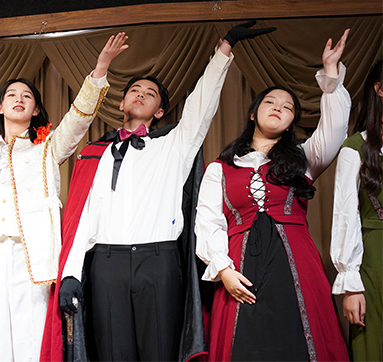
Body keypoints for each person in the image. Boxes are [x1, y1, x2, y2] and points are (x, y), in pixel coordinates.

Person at [43, 22, 276, 362]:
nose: (140, 94)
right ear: (121, 103)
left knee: (161, 355)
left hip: (159, 263)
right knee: (111, 355)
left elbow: (201, 103)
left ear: (160, 111)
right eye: (135, 90)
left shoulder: (175, 145)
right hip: (106, 266)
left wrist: (226, 46)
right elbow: (81, 219)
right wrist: (71, 274)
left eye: (150, 94)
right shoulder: (95, 154)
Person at [0, 32, 129, 362]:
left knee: (33, 341)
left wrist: (101, 67)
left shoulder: (47, 146)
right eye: (11, 94)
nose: (19, 99)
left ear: (36, 110)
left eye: (27, 96)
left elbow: (79, 118)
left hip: (31, 254)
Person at [195, 29, 351, 361]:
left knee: (299, 340)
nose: (278, 108)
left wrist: (331, 72)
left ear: (292, 121)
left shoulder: (304, 159)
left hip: (297, 263)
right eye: (270, 102)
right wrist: (223, 270)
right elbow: (208, 222)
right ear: (253, 113)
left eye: (287, 107)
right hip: (238, 267)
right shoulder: (220, 168)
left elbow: (336, 130)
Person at [331, 59, 383, 361]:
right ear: (379, 89)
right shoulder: (355, 148)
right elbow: (345, 215)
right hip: (375, 259)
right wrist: (351, 287)